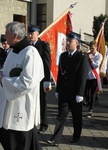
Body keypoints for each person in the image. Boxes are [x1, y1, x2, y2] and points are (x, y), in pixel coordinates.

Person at [0, 21, 44, 150]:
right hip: (8, 104)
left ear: (14, 35)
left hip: (21, 107)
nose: (4, 36)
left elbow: (27, 82)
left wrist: (3, 81)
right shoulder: (13, 52)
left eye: (6, 33)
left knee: (19, 143)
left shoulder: (30, 53)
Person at [46, 31, 88, 146]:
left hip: (75, 94)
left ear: (77, 43)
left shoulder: (82, 57)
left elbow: (82, 77)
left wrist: (80, 93)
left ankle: (76, 137)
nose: (68, 43)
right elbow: (61, 74)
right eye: (67, 41)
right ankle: (55, 139)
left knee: (76, 116)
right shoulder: (63, 56)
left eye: (71, 41)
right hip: (64, 92)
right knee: (61, 116)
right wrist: (58, 90)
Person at [28, 25, 52, 134]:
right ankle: (32, 122)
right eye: (29, 33)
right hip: (30, 79)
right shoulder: (27, 46)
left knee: (42, 102)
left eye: (32, 34)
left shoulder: (43, 45)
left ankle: (44, 124)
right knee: (31, 101)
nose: (29, 36)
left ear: (37, 34)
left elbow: (47, 63)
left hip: (41, 79)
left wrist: (47, 80)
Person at [84, 41, 103, 118]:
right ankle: (89, 103)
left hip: (94, 77)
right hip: (87, 76)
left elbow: (96, 66)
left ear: (96, 47)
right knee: (86, 93)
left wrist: (91, 59)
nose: (91, 50)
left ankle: (91, 110)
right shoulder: (88, 54)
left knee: (92, 94)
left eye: (93, 48)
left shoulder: (99, 56)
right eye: (90, 48)